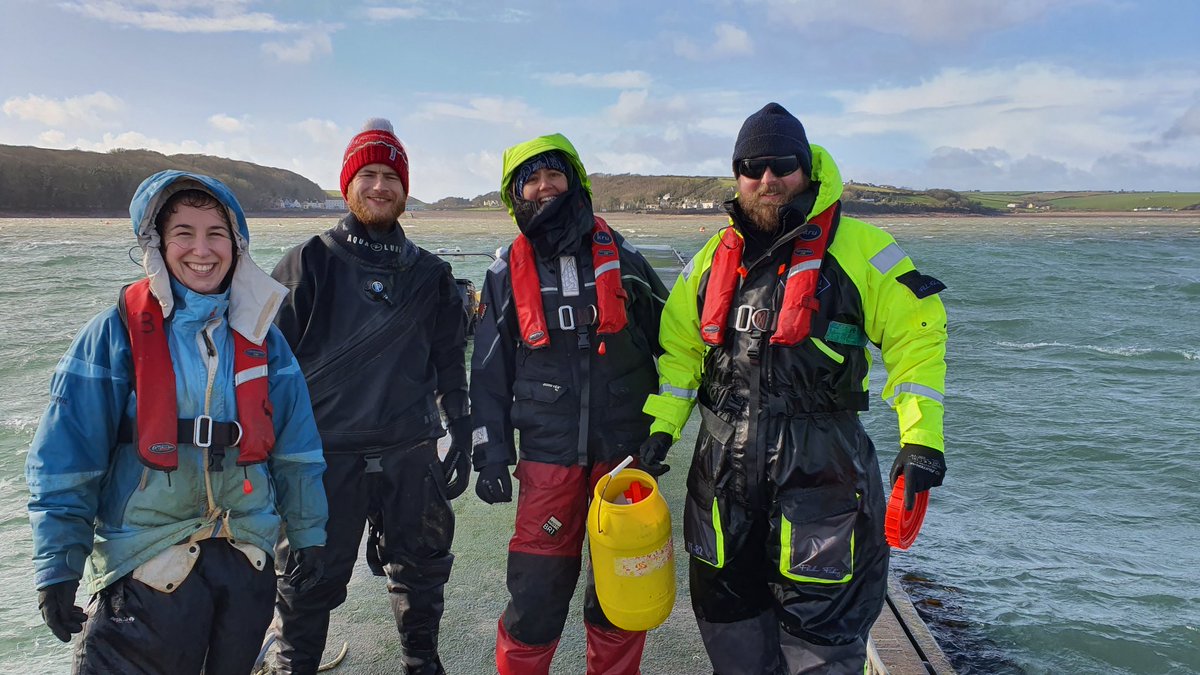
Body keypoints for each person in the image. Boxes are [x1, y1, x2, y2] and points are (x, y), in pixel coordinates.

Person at [637, 102, 949, 674]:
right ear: (737, 175)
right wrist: (661, 429)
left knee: (824, 644)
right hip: (722, 476)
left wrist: (922, 439)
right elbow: (679, 351)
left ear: (806, 168)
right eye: (752, 166)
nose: (767, 179)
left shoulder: (862, 249)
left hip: (823, 471)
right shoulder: (709, 259)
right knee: (730, 633)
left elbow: (917, 339)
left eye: (782, 164)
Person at [26, 170, 329, 674]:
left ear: (237, 243)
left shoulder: (264, 341)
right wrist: (57, 568)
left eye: (216, 233)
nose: (201, 249)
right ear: (156, 244)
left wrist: (309, 536)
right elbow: (66, 457)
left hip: (245, 559)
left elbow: (297, 451)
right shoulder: (112, 334)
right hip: (144, 567)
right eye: (183, 233)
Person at [267, 118, 471, 675]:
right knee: (306, 580)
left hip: (411, 451)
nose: (380, 186)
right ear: (347, 184)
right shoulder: (306, 262)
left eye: (391, 176)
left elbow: (451, 362)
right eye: (369, 175)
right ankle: (293, 666)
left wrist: (463, 433)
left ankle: (421, 663)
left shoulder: (432, 274)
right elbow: (260, 368)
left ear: (405, 188)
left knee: (424, 571)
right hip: (323, 458)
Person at [469, 133, 669, 674]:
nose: (543, 186)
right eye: (529, 179)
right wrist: (489, 454)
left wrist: (664, 429)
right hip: (546, 461)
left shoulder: (625, 259)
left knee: (619, 602)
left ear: (574, 180)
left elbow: (678, 348)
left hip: (625, 458)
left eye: (553, 173)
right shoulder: (502, 276)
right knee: (535, 598)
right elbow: (487, 375)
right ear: (516, 196)